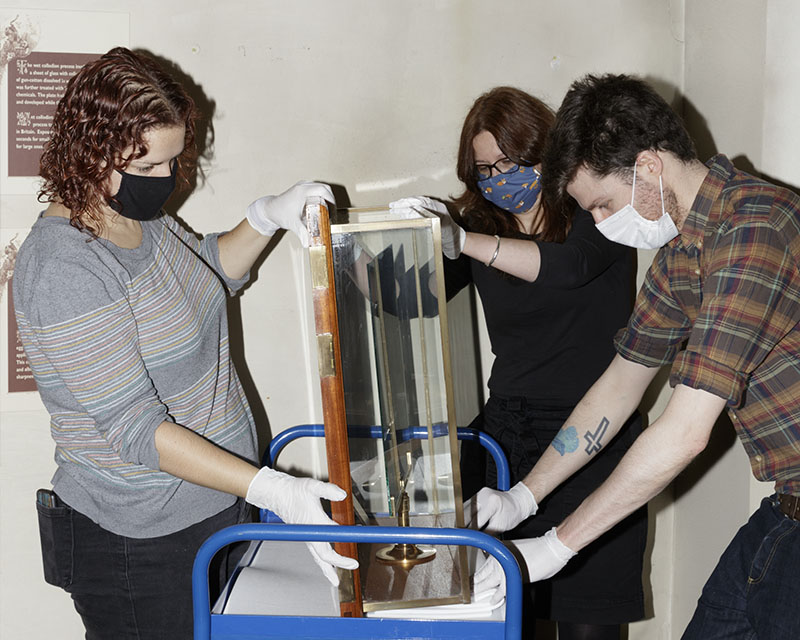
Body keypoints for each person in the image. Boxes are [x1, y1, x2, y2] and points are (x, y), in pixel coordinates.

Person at [13, 47, 357, 640]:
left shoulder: (140, 219)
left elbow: (206, 271)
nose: (165, 182)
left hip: (212, 506)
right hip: (137, 542)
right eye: (144, 167)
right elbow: (136, 428)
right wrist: (272, 486)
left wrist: (269, 215)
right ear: (87, 148)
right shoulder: (65, 266)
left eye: (172, 163)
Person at [470, 73, 800, 640]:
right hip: (789, 505)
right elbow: (620, 384)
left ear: (648, 167)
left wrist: (555, 547)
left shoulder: (755, 228)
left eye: (601, 205)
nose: (600, 226)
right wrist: (525, 496)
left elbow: (683, 433)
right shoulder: (683, 250)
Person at [391, 86, 647, 640]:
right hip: (508, 436)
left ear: (547, 151)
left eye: (512, 162)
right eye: (485, 169)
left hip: (596, 436)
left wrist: (464, 240)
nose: (499, 178)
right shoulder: (482, 225)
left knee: (590, 621)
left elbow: (568, 267)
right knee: (507, 615)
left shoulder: (594, 210)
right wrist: (386, 244)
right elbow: (408, 299)